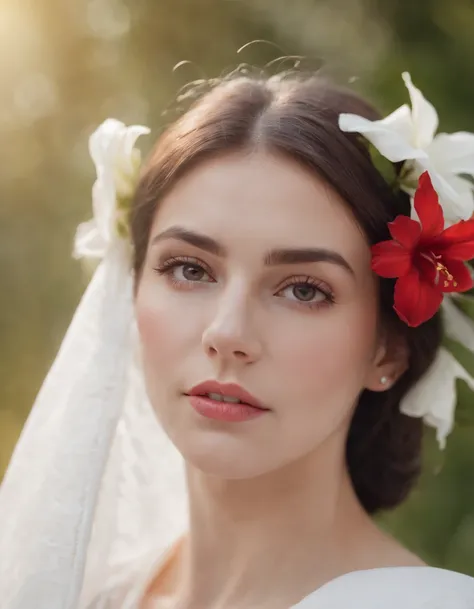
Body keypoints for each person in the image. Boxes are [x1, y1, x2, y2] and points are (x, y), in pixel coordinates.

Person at [1, 69, 474, 609]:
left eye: (302, 289)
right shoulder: (77, 592)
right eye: (189, 270)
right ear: (129, 292)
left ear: (387, 348)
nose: (226, 333)